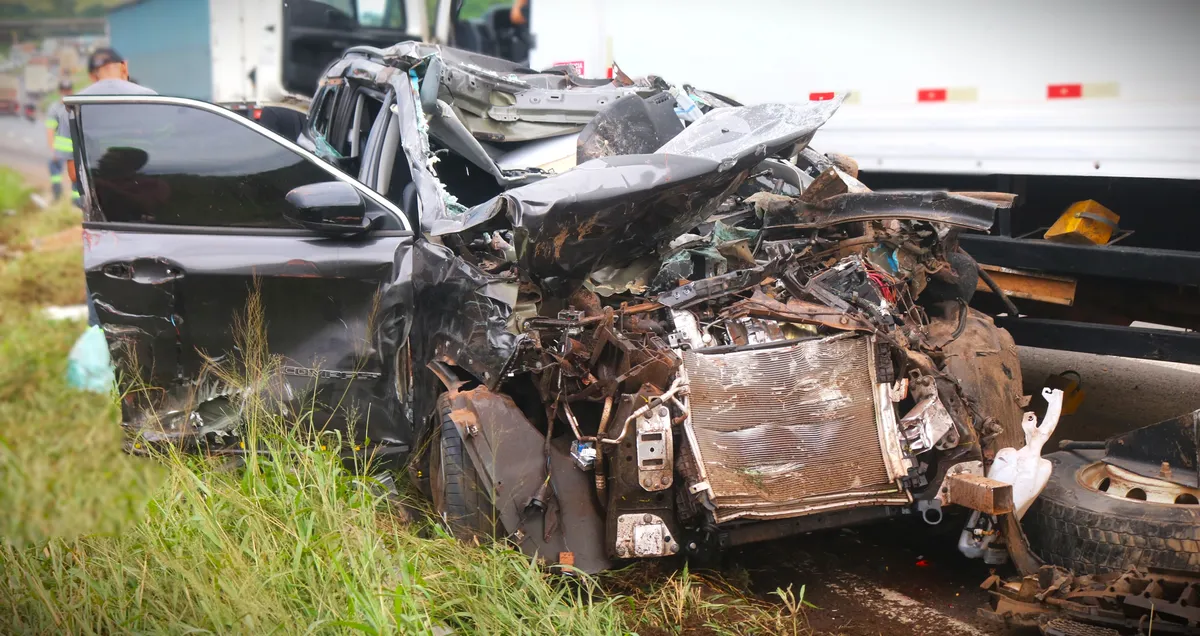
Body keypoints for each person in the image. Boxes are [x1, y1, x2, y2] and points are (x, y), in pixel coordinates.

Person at [44, 79, 74, 202]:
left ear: (71, 91)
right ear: (60, 92)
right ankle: (57, 195)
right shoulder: (54, 108)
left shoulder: (76, 105)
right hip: (61, 151)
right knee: (54, 171)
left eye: (68, 90)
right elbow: (50, 130)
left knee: (75, 177)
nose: (65, 93)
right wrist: (53, 151)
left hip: (75, 151)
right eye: (63, 91)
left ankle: (76, 203)